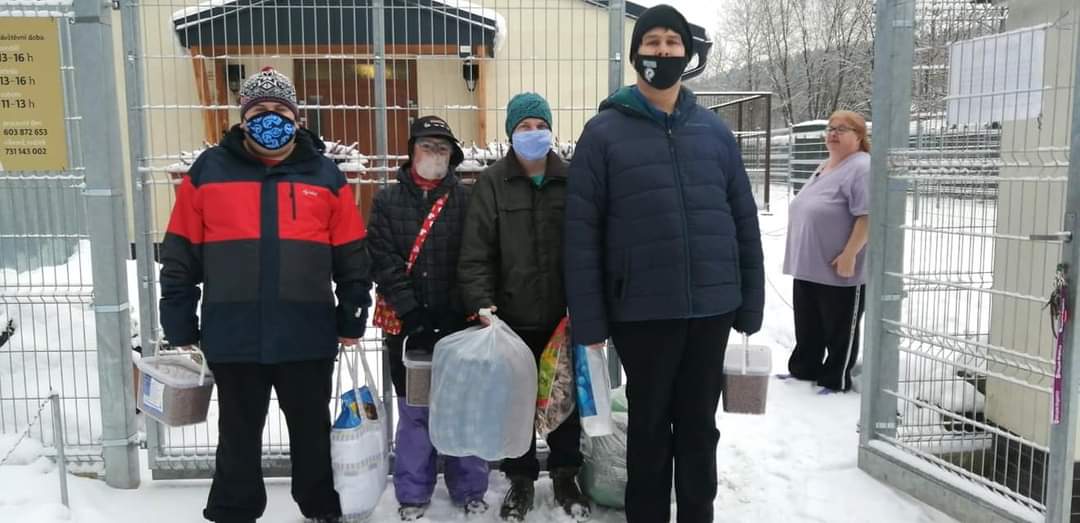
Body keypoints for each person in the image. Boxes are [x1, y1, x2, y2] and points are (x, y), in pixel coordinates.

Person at [562, 5, 765, 522]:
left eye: (673, 43)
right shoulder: (602, 134)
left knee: (699, 428)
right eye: (652, 42)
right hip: (642, 312)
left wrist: (750, 300)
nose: (663, 51)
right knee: (649, 430)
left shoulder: (714, 133)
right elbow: (581, 234)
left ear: (687, 54)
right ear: (636, 56)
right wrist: (589, 321)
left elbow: (743, 218)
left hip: (712, 307)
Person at [158, 67, 372, 523]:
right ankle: (233, 511)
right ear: (243, 118)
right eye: (259, 110)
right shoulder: (208, 171)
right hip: (234, 334)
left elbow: (352, 255)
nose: (269, 118)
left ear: (296, 118)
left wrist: (353, 313)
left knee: (312, 433)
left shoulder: (325, 175)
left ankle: (321, 508)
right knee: (237, 436)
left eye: (279, 109)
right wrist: (178, 321)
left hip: (306, 333)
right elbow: (180, 254)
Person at [458, 93, 592, 521]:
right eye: (524, 127)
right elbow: (476, 252)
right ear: (510, 134)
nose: (533, 134)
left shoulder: (572, 180)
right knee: (514, 405)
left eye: (540, 126)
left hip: (562, 319)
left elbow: (588, 245)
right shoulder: (492, 183)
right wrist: (483, 304)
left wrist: (586, 302)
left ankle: (566, 474)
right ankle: (520, 479)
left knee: (564, 402)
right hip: (510, 320)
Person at [366, 115, 490, 520]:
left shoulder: (468, 199)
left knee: (463, 405)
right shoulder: (386, 201)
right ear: (411, 151)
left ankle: (470, 487)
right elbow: (382, 260)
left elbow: (477, 255)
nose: (434, 154)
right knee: (414, 409)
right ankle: (413, 492)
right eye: (427, 146)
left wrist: (456, 309)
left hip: (459, 323)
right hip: (407, 326)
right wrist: (412, 311)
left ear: (453, 156)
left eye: (442, 148)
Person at [783, 110, 870, 393]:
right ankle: (804, 369)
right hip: (809, 266)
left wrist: (850, 253)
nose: (833, 133)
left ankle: (835, 378)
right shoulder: (827, 165)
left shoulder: (862, 167)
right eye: (831, 128)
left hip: (839, 268)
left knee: (839, 328)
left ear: (859, 137)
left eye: (842, 129)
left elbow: (868, 215)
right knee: (808, 325)